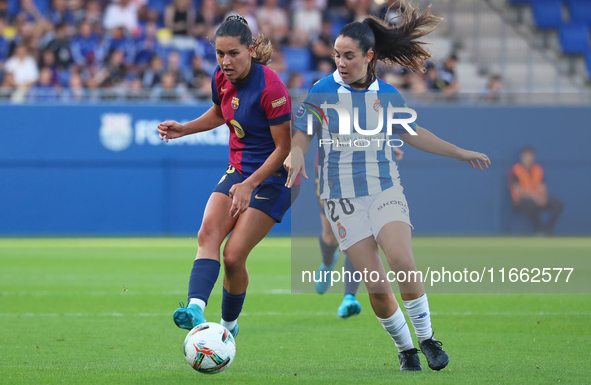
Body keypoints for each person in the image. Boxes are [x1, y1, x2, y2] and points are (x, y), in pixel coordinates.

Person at [286, 4, 491, 371]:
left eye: (349, 56)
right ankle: (406, 349)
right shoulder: (322, 90)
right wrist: (297, 153)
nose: (340, 62)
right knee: (377, 288)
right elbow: (302, 133)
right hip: (341, 200)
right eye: (336, 55)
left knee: (402, 261)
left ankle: (427, 339)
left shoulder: (388, 95)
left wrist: (459, 152)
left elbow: (413, 133)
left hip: (384, 188)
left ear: (369, 56)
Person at [157, 15, 295, 338]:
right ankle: (194, 307)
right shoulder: (220, 77)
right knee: (208, 233)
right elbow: (221, 111)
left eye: (233, 53)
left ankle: (227, 329)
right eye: (220, 54)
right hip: (239, 171)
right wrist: (185, 128)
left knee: (233, 257)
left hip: (275, 177)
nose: (225, 61)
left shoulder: (271, 87)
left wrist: (250, 184)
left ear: (249, 50)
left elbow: (283, 149)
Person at [314, 146, 404, 320]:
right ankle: (327, 262)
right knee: (330, 237)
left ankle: (349, 297)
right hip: (329, 169)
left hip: (365, 168)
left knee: (357, 232)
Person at [508, 147, 563, 235]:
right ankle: (538, 229)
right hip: (522, 201)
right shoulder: (516, 170)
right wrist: (534, 197)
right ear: (521, 157)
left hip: (537, 198)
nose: (529, 159)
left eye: (531, 156)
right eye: (526, 156)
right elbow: (518, 191)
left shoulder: (537, 169)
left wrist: (543, 198)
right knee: (531, 205)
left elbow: (542, 186)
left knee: (558, 203)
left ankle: (547, 229)